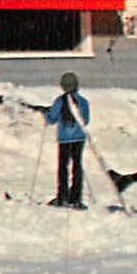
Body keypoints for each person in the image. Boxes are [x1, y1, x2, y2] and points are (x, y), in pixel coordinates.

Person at [44, 72, 90, 209]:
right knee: (77, 166)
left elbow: (52, 118)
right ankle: (76, 198)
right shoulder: (83, 101)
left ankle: (62, 196)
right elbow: (85, 120)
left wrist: (46, 115)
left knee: (63, 167)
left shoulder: (60, 101)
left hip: (64, 139)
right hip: (79, 139)